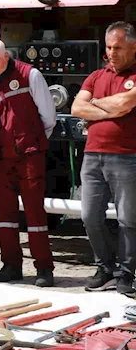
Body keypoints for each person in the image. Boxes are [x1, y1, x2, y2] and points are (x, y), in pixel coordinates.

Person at [0, 38, 56, 287]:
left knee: (34, 213)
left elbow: (48, 116)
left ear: (6, 57)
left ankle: (44, 268)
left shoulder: (29, 75)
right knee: (4, 215)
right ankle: (11, 265)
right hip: (1, 156)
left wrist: (32, 141)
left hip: (28, 153)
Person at [72, 21, 136, 295]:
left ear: (133, 47)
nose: (112, 52)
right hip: (92, 156)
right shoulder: (96, 76)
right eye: (109, 47)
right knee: (89, 216)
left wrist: (95, 104)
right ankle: (106, 268)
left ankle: (127, 272)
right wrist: (110, 107)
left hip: (126, 157)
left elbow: (125, 103)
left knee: (128, 220)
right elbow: (76, 107)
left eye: (118, 47)